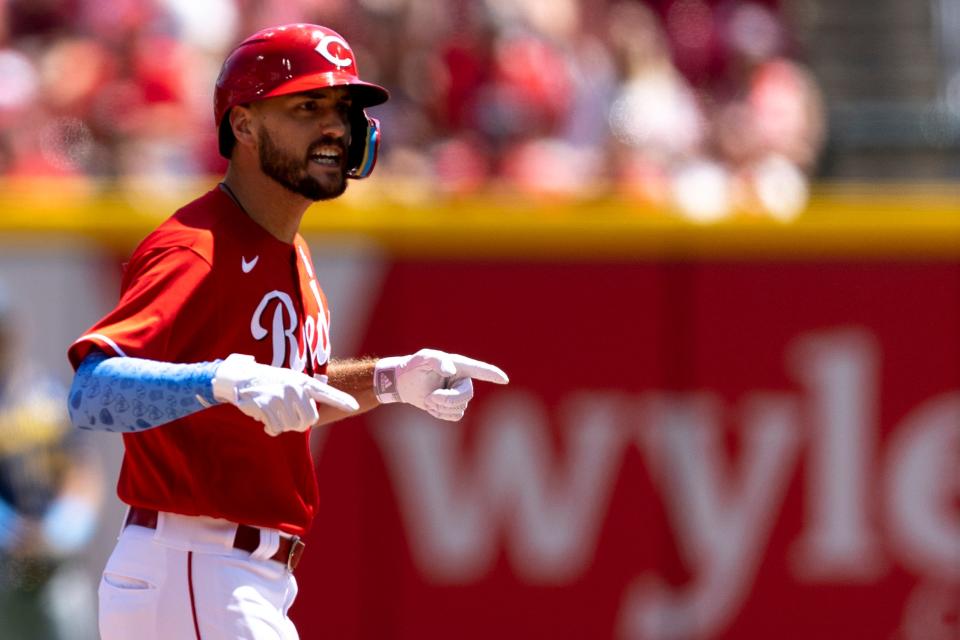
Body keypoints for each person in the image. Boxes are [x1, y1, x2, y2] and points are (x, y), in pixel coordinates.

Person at [65, 24, 508, 640]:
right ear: (243, 126)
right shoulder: (198, 247)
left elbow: (283, 396)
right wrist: (224, 380)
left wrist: (388, 379)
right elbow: (91, 391)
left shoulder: (289, 250)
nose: (334, 127)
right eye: (307, 107)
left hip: (232, 578)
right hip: (197, 565)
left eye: (343, 110)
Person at [0, 286, 103, 640]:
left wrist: (62, 529)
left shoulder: (47, 395)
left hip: (53, 567)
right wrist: (7, 529)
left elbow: (81, 473)